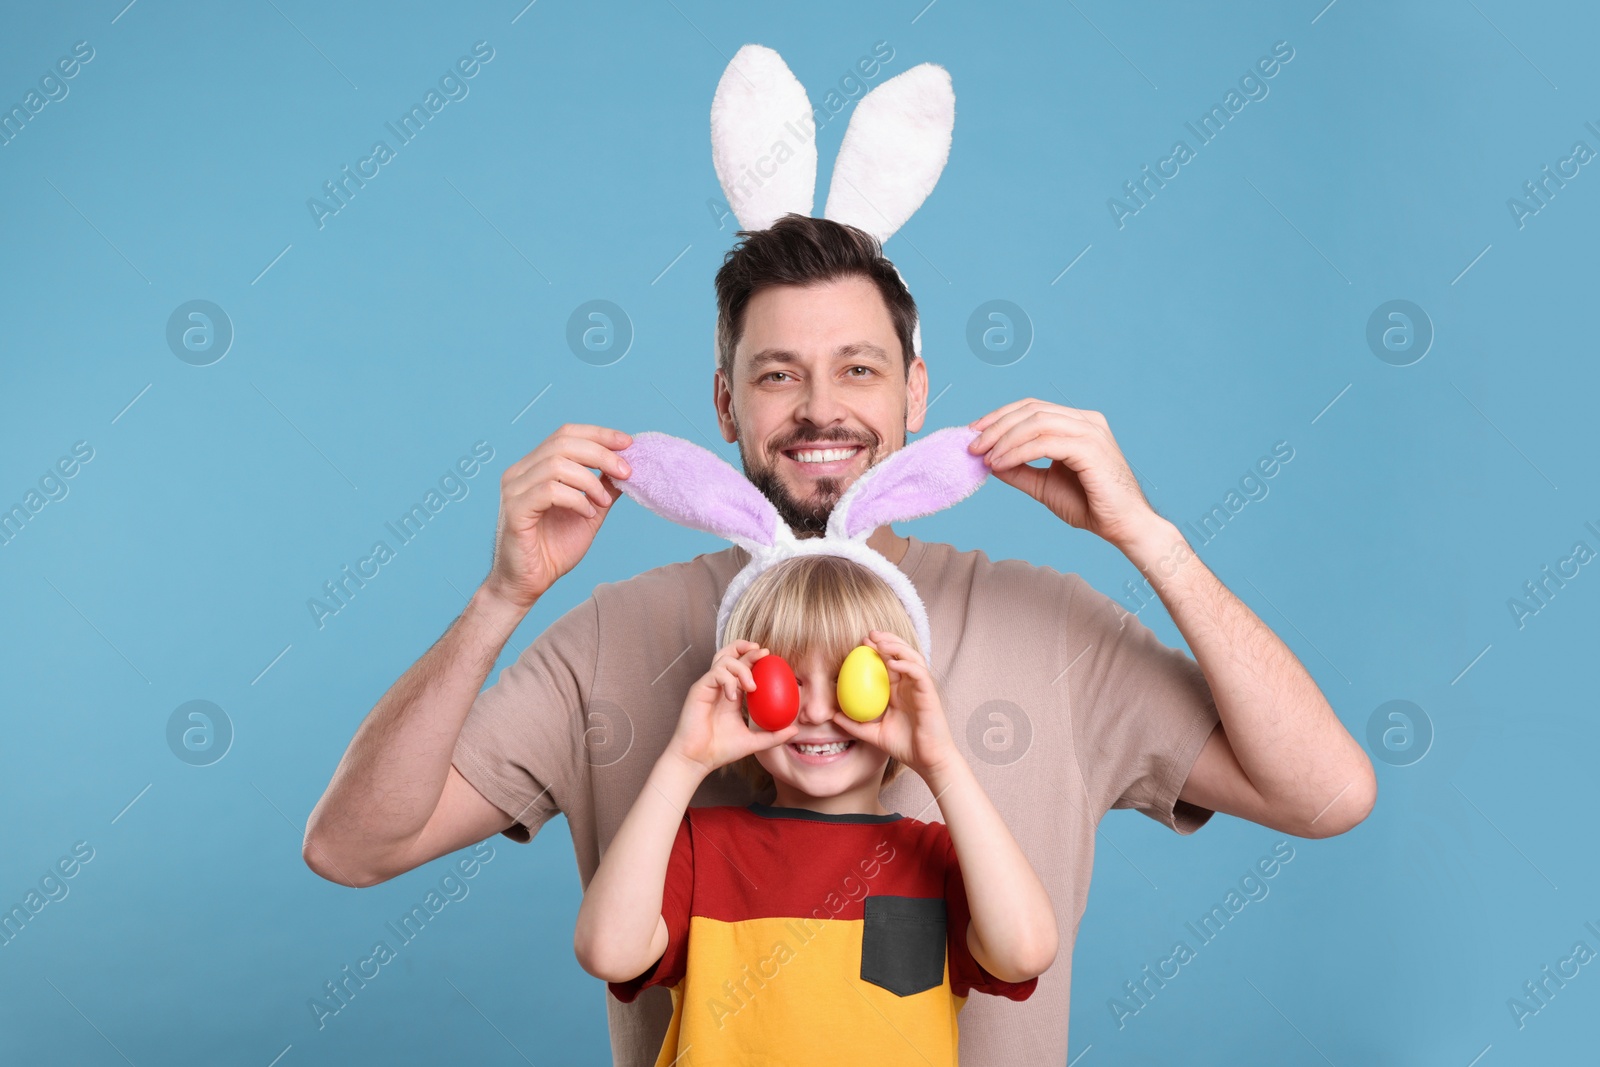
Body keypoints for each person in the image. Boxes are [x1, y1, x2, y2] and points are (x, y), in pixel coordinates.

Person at [303, 215, 1377, 1065]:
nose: (821, 409)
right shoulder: (609, 637)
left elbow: (1325, 795)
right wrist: (504, 592)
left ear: (917, 395)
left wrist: (1148, 538)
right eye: (777, 374)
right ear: (723, 406)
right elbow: (351, 847)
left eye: (859, 368)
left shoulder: (1056, 623)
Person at [574, 554, 1057, 1065]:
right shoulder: (701, 846)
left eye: (852, 678)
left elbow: (1024, 951)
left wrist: (941, 761)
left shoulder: (936, 856)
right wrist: (684, 760)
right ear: (743, 694)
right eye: (790, 680)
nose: (819, 711)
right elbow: (608, 951)